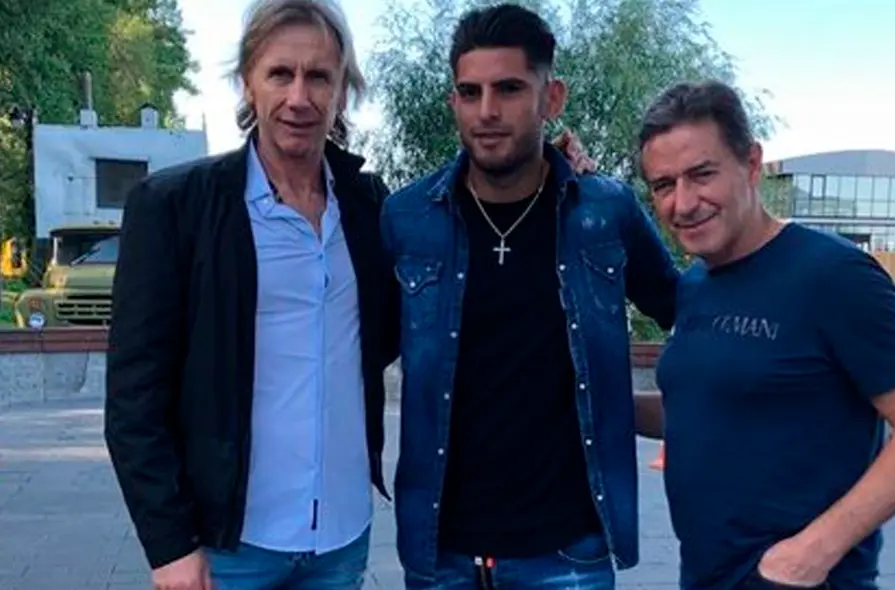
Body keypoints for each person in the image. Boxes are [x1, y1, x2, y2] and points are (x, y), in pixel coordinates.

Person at [380, 4, 680, 589]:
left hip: (568, 550)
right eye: (470, 92)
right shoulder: (407, 217)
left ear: (552, 97)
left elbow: (688, 313)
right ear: (453, 103)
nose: (487, 111)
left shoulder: (604, 211)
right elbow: (355, 345)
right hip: (442, 553)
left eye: (510, 88)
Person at [103, 1, 401, 588]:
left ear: (343, 91)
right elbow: (134, 398)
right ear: (248, 82)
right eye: (280, 73)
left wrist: (552, 173)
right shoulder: (175, 208)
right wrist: (169, 547)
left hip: (341, 537)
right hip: (226, 548)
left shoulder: (369, 207)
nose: (299, 97)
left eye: (319, 76)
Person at [632, 80, 895, 590]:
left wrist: (809, 554)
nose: (684, 202)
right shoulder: (697, 284)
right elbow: (708, 405)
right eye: (663, 185)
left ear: (750, 164)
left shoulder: (834, 274)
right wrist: (606, 403)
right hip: (705, 574)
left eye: (702, 175)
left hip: (799, 580)